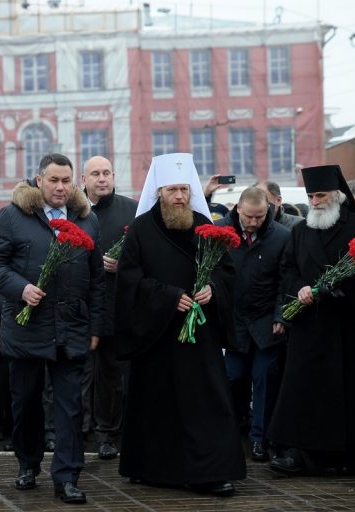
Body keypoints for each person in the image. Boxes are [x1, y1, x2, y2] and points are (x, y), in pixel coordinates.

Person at [114, 153, 245, 497]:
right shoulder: (141, 230)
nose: (180, 197)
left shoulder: (205, 225)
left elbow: (228, 273)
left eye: (184, 189)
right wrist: (167, 297)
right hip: (157, 335)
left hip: (198, 336)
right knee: (158, 403)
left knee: (206, 402)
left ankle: (210, 471)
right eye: (172, 189)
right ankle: (154, 468)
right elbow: (128, 282)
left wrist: (212, 289)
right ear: (159, 191)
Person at [0, 153, 105, 504]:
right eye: (54, 180)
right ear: (39, 181)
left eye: (67, 181)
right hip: (26, 328)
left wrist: (96, 325)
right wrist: (20, 288)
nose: (61, 188)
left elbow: (97, 280)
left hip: (71, 327)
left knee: (70, 406)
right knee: (26, 402)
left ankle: (66, 476)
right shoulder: (12, 216)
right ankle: (28, 462)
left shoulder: (86, 220)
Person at [268, 165, 355, 476]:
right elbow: (287, 269)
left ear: (336, 195)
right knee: (306, 388)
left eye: (320, 195)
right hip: (311, 324)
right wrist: (300, 289)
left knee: (352, 390)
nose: (314, 202)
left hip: (351, 323)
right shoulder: (301, 231)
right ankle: (303, 454)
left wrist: (338, 289)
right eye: (311, 196)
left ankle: (353, 455)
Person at [217, 187, 290, 462]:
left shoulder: (281, 237)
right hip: (234, 322)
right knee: (233, 377)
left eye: (260, 217)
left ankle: (261, 438)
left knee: (264, 379)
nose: (253, 223)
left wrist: (281, 316)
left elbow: (287, 281)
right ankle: (235, 430)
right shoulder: (220, 233)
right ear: (238, 209)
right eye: (249, 216)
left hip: (266, 323)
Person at [79, 155, 137, 460]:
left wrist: (122, 265)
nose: (102, 179)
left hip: (116, 308)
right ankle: (77, 430)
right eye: (95, 174)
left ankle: (106, 432)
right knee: (78, 372)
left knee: (111, 375)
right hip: (79, 308)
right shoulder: (75, 210)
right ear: (84, 180)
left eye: (107, 173)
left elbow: (145, 258)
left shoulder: (132, 210)